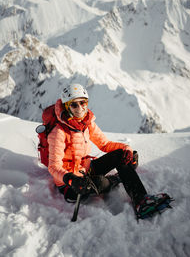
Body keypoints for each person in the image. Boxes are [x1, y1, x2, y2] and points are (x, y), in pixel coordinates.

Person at [47, 83, 171, 219]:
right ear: (66, 106)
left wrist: (126, 149)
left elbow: (104, 144)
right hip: (71, 185)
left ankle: (141, 201)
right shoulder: (59, 132)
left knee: (121, 156)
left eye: (83, 103)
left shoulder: (87, 124)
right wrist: (71, 180)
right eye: (74, 104)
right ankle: (114, 180)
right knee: (100, 183)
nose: (80, 108)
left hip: (87, 169)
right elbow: (53, 166)